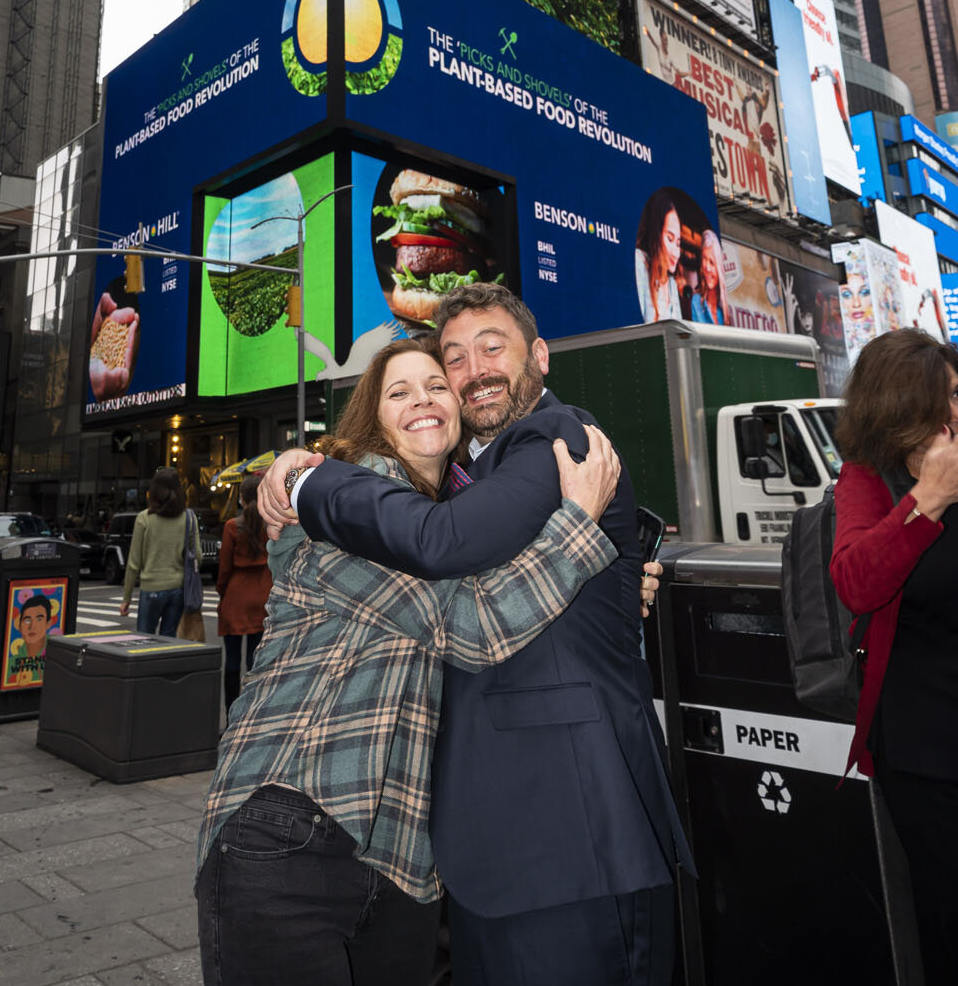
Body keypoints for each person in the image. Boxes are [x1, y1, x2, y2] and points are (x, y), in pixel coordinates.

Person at [260, 286, 691, 986]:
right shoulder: (471, 477)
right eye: (453, 357)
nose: (473, 368)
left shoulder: (556, 437)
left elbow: (445, 543)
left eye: (493, 346)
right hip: (490, 851)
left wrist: (312, 481)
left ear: (540, 358)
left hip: (570, 834)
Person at [197, 337, 622, 986]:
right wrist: (580, 523)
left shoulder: (449, 523)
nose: (423, 400)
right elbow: (474, 625)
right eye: (400, 391)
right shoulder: (347, 503)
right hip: (293, 823)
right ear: (373, 415)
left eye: (435, 387)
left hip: (402, 863)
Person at [831, 328, 958, 985]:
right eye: (940, 400)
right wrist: (929, 499)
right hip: (928, 752)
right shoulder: (869, 479)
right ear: (897, 409)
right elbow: (856, 580)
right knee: (951, 922)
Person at [119, 468, 202, 636]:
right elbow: (198, 557)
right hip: (178, 588)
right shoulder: (189, 517)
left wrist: (126, 599)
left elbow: (134, 563)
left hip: (151, 587)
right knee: (168, 640)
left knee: (144, 639)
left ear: (154, 491)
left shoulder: (144, 518)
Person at [216, 475, 272, 715]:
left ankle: (231, 712)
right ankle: (250, 714)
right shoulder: (268, 525)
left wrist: (222, 591)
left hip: (236, 595)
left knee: (232, 661)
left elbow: (224, 568)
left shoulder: (232, 526)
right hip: (262, 592)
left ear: (242, 498)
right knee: (255, 659)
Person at [635, 188, 681, 323]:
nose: (676, 252)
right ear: (656, 234)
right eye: (670, 239)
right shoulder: (639, 262)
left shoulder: (672, 283)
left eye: (678, 243)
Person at [690, 228, 727, 325]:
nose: (707, 268)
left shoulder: (724, 311)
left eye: (711, 262)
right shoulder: (696, 302)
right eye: (704, 259)